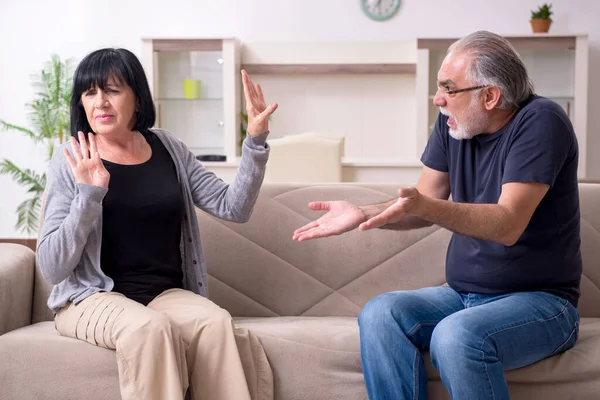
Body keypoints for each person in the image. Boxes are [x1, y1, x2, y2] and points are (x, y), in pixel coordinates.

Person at [293, 30, 581, 400]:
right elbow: (424, 200)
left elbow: (508, 224)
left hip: (543, 304)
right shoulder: (454, 126)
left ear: (490, 96)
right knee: (381, 314)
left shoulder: (542, 120)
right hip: (463, 296)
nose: (437, 99)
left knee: (457, 335)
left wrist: (425, 206)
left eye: (448, 88)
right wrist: (363, 212)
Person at [36, 47, 278, 400]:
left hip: (164, 293)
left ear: (137, 97)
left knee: (215, 324)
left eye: (113, 90)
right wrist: (89, 195)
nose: (100, 102)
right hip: (90, 298)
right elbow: (52, 267)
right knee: (151, 328)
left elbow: (233, 207)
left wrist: (255, 141)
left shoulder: (168, 148)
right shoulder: (71, 157)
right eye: (90, 92)